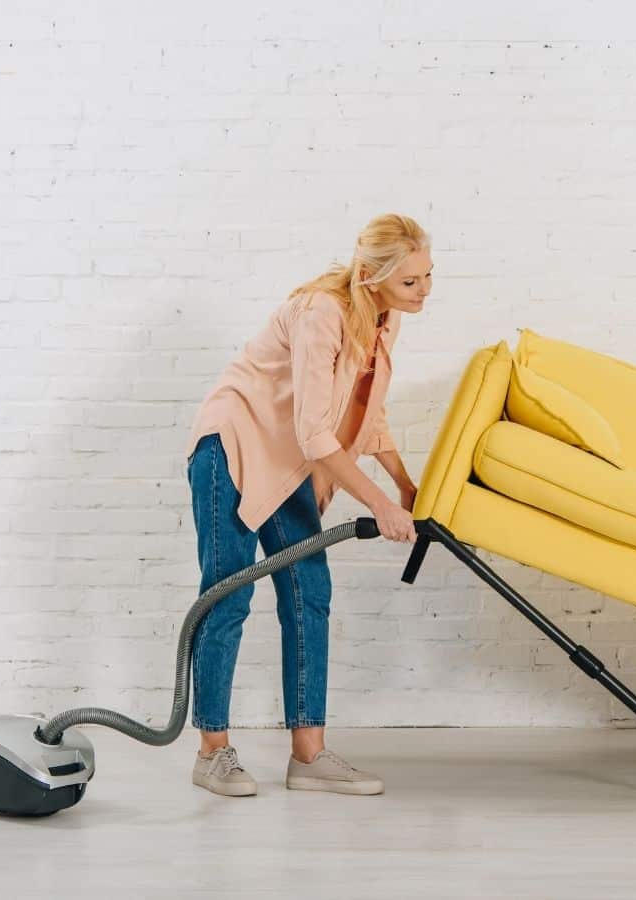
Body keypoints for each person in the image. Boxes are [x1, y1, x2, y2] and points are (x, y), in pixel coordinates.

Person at [182, 213, 430, 797]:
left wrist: (404, 484)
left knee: (307, 592)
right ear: (371, 275)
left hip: (288, 459)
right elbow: (318, 432)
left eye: (427, 276)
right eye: (410, 281)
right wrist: (379, 504)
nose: (424, 292)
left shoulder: (383, 319)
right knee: (228, 592)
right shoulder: (324, 312)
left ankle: (309, 756)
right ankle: (212, 753)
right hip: (234, 448)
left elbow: (368, 411)